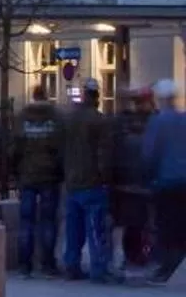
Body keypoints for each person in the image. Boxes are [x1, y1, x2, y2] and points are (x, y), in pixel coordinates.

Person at [59, 81, 122, 283]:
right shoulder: (100, 121)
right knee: (95, 228)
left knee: (73, 230)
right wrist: (106, 179)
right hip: (92, 183)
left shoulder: (68, 120)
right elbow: (104, 154)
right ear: (97, 96)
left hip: (72, 182)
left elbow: (62, 150)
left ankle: (71, 266)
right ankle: (98, 269)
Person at [11, 84, 65, 277]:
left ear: (33, 96)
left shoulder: (22, 117)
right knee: (48, 221)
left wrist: (15, 172)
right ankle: (48, 264)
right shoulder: (57, 118)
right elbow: (62, 148)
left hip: (27, 176)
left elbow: (14, 148)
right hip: (50, 176)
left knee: (26, 221)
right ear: (46, 96)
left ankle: (25, 264)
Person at [141, 79, 186, 284]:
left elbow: (150, 154)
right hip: (183, 180)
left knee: (165, 225)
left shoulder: (158, 122)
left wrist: (147, 177)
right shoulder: (183, 119)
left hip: (165, 181)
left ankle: (166, 266)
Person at [114, 86, 155, 271]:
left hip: (132, 182)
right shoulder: (153, 122)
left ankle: (136, 255)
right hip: (138, 182)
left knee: (137, 223)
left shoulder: (125, 122)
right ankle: (137, 255)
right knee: (138, 223)